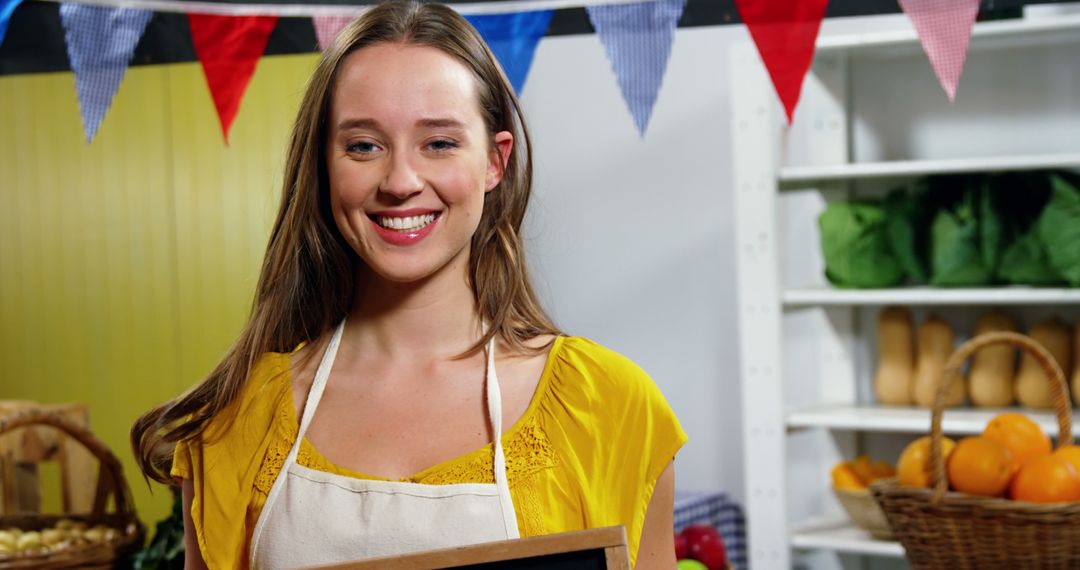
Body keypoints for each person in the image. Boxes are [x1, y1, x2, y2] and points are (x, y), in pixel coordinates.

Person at [131, 2, 686, 568]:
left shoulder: (611, 408)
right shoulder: (237, 420)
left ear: (495, 163)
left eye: (440, 143)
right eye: (363, 145)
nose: (400, 182)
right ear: (324, 164)